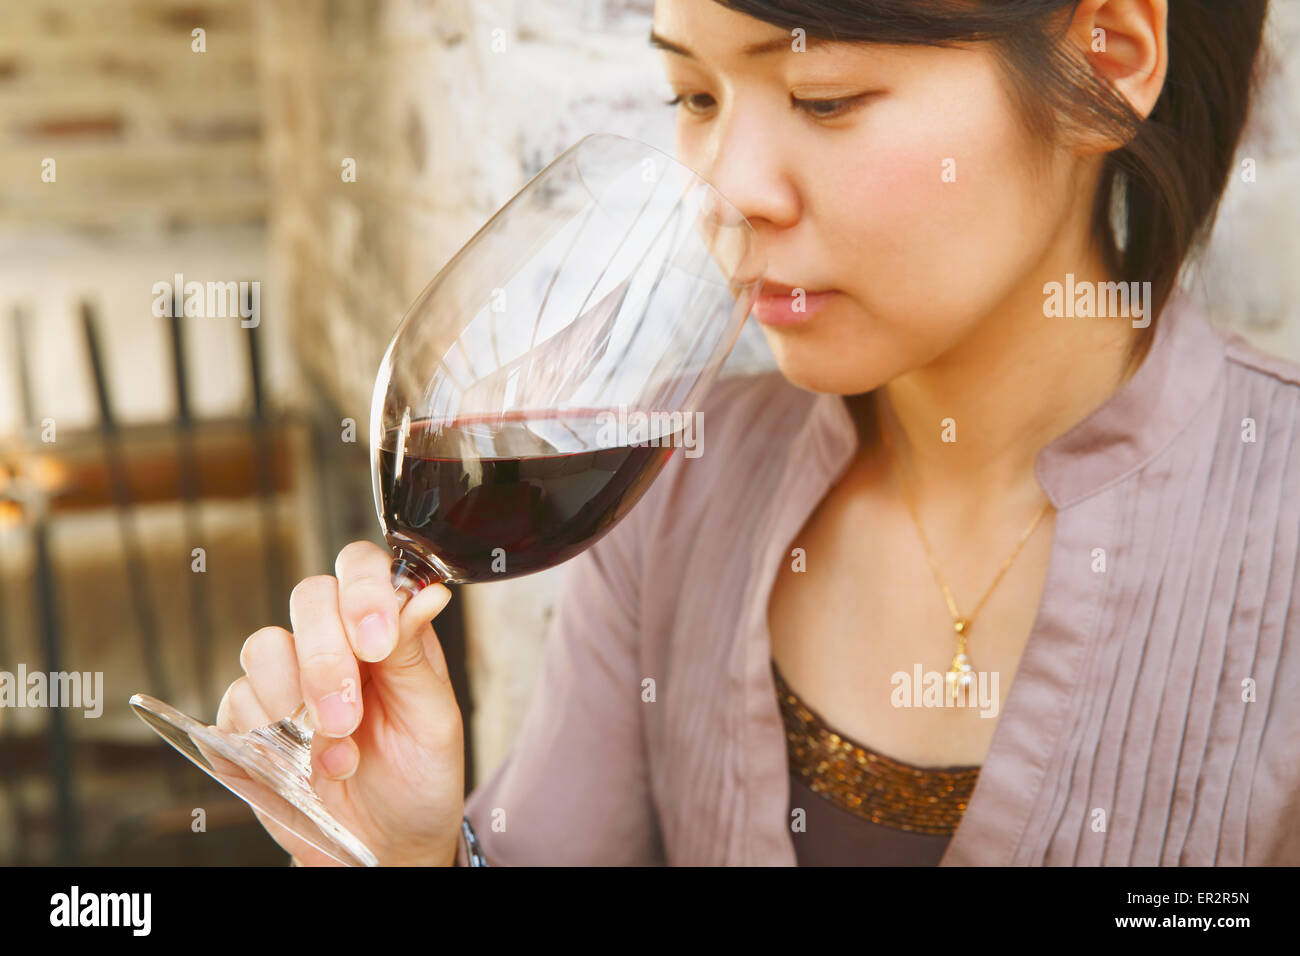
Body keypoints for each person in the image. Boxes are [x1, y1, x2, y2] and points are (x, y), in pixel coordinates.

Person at [219, 0, 1298, 866]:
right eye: (693, 92)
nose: (724, 188)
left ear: (1105, 60)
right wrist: (408, 853)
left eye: (823, 97)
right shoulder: (679, 488)